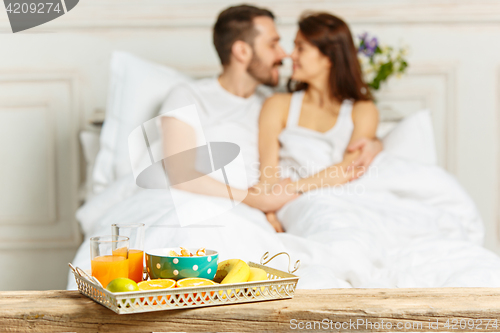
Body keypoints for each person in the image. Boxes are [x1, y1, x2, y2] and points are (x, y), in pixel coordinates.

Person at [159, 5, 382, 231]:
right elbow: (181, 174)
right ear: (243, 51)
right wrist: (259, 202)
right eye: (273, 44)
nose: (284, 54)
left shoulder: (269, 100)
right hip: (226, 205)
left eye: (297, 47)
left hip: (266, 205)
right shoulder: (189, 96)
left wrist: (375, 143)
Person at [256, 12, 379, 231]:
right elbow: (268, 174)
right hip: (295, 206)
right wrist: (269, 212)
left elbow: (349, 169)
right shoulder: (277, 105)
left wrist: (292, 188)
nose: (291, 55)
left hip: (341, 200)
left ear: (329, 57)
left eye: (300, 48)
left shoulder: (363, 110)